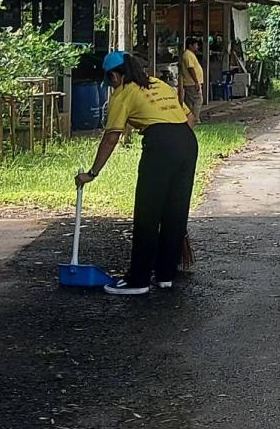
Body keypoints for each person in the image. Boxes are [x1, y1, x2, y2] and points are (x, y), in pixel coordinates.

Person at [75, 51, 197, 296]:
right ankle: (165, 275)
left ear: (115, 76)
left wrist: (92, 173)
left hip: (160, 143)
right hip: (187, 141)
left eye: (110, 80)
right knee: (175, 212)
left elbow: (111, 137)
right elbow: (190, 117)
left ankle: (138, 279)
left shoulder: (123, 93)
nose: (111, 85)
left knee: (147, 213)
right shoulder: (158, 84)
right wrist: (176, 142)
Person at [179, 37, 204, 124]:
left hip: (191, 82)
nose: (197, 47)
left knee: (189, 102)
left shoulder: (190, 54)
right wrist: (196, 82)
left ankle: (190, 118)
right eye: (195, 45)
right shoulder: (187, 54)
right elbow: (191, 68)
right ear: (190, 45)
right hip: (191, 82)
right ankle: (195, 118)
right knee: (198, 100)